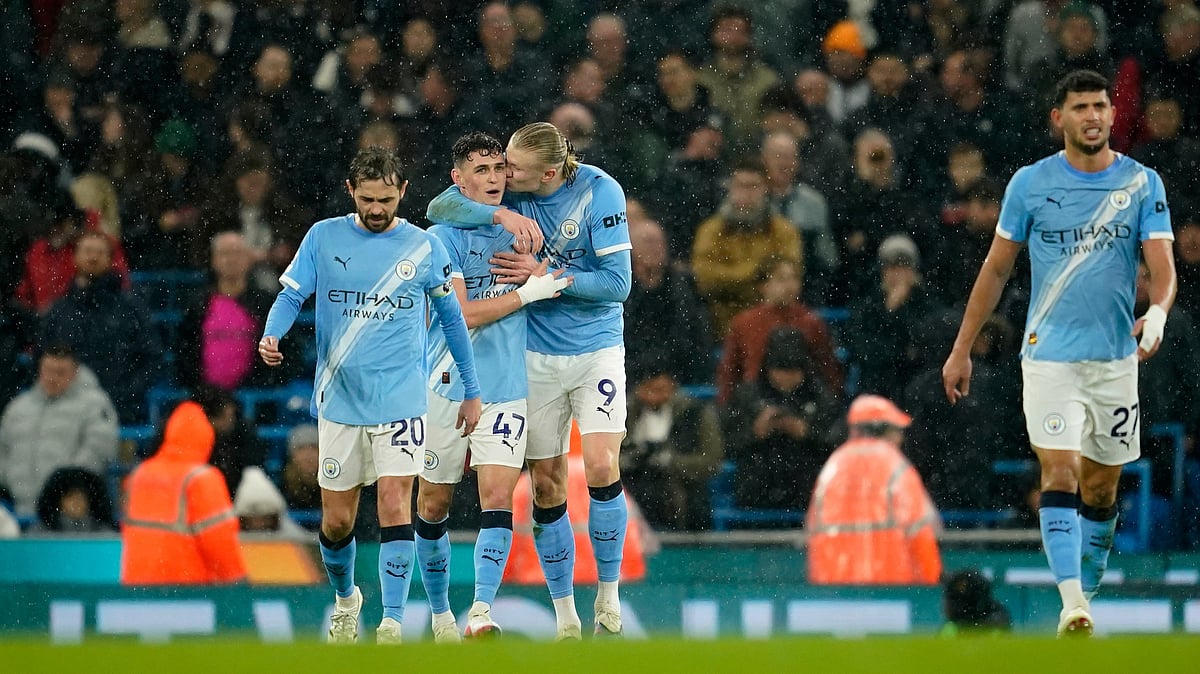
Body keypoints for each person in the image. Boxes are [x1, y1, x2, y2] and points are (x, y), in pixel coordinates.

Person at [942, 70, 1177, 638]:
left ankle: (1085, 592)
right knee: (1061, 469)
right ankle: (1072, 601)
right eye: (1081, 107)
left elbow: (1164, 267)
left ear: (1111, 115)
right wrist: (962, 349)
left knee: (1102, 487)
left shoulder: (1143, 183)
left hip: (1115, 361)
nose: (1093, 116)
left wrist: (1160, 312)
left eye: (1101, 106)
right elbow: (996, 268)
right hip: (1049, 357)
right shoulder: (1029, 183)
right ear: (1059, 119)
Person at [259, 146, 482, 645]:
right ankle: (345, 599)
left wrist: (471, 388)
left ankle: (392, 623)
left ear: (403, 192)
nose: (376, 209)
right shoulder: (323, 237)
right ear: (351, 192)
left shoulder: (425, 247)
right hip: (339, 401)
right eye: (367, 199)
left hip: (402, 400)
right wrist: (272, 333)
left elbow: (452, 320)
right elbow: (292, 294)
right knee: (337, 522)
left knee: (394, 503)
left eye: (385, 199)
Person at [427, 121, 632, 639]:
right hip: (535, 356)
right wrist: (498, 211)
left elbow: (618, 283)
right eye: (499, 167)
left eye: (511, 168)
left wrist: (547, 281)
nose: (504, 175)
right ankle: (565, 616)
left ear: (548, 171)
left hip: (596, 348)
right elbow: (439, 207)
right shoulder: (513, 198)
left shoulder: (599, 192)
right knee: (546, 483)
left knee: (603, 463)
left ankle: (608, 592)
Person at [417, 132, 570, 643]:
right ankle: (439, 615)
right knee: (434, 503)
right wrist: (527, 293)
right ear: (459, 179)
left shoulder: (528, 225)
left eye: (498, 168)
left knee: (498, 496)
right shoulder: (442, 236)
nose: (493, 178)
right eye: (479, 170)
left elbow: (559, 273)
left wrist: (548, 274)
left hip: (505, 386)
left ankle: (480, 611)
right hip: (445, 384)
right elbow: (461, 314)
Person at [806, 394, 942, 585]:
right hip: (890, 585)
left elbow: (813, 531)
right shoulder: (896, 467)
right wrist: (931, 582)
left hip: (834, 590)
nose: (900, 438)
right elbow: (920, 531)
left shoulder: (832, 468)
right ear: (885, 430)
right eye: (897, 431)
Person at [121, 400, 248, 585]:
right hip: (186, 593)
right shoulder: (201, 479)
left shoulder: (138, 475)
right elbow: (219, 542)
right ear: (207, 437)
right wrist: (238, 582)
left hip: (136, 589)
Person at [0, 345, 118, 518]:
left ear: (76, 372)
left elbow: (98, 449)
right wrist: (9, 481)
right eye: (47, 370)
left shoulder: (95, 404)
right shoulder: (18, 407)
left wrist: (65, 487)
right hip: (17, 511)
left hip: (67, 516)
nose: (52, 378)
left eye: (61, 372)